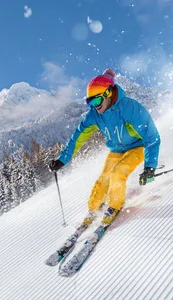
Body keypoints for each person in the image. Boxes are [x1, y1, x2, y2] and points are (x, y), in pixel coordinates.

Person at [48, 68, 161, 227]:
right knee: (104, 178)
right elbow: (78, 138)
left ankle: (114, 206)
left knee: (117, 173)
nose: (94, 106)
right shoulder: (94, 115)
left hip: (137, 147)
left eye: (96, 101)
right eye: (90, 102)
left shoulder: (129, 108)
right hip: (116, 149)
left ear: (108, 94)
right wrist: (61, 160)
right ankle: (94, 208)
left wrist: (150, 167)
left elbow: (152, 136)